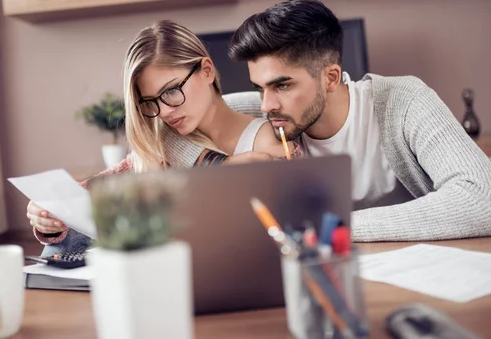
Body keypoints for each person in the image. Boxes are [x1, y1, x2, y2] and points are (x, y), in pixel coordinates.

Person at [159, 0, 491, 242]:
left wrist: (328, 227)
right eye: (259, 87)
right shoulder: (262, 110)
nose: (267, 103)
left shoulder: (402, 101)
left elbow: (487, 203)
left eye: (282, 85)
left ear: (331, 77)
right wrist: (223, 163)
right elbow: (164, 129)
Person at [27, 20, 302, 249]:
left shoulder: (270, 141)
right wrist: (48, 216)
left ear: (206, 70)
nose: (164, 112)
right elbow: (82, 208)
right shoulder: (155, 151)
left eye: (171, 91)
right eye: (150, 102)